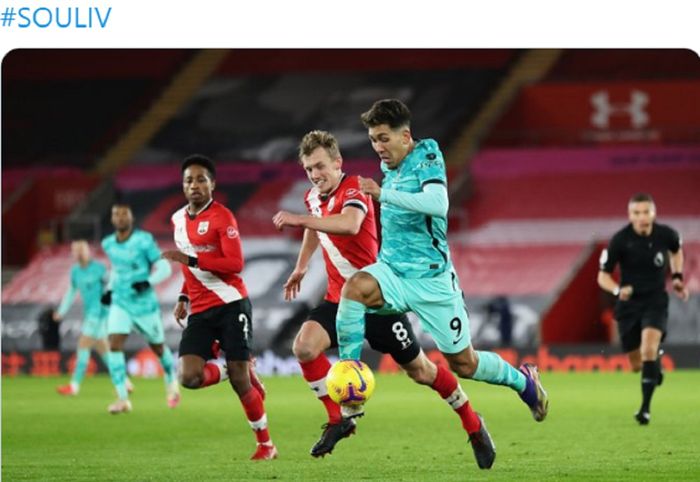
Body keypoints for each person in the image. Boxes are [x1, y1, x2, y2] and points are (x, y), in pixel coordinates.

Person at [334, 99, 550, 469]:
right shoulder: (388, 165)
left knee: (463, 364)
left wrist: (381, 194)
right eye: (373, 140)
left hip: (433, 281)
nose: (378, 147)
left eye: (384, 138)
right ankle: (350, 379)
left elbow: (438, 204)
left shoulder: (428, 154)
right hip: (392, 272)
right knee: (353, 288)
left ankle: (523, 381)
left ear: (406, 136)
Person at [273, 130, 489, 461]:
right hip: (339, 300)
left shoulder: (356, 188)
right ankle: (338, 420)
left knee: (422, 372)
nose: (315, 175)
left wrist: (298, 219)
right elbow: (315, 227)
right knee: (303, 347)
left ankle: (473, 424)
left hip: (378, 301)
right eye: (308, 170)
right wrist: (301, 266)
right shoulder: (312, 198)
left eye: (320, 167)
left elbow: (350, 224)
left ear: (337, 162)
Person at [162, 154, 277, 460]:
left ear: (213, 184)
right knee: (188, 377)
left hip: (231, 304)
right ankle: (231, 368)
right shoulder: (176, 220)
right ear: (183, 186)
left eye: (201, 179)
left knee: (241, 383)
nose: (195, 185)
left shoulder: (222, 217)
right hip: (200, 310)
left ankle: (266, 445)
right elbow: (190, 270)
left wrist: (193, 260)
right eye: (189, 180)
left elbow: (235, 264)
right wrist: (184, 296)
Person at [598, 193, 689, 425]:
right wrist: (618, 291)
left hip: (656, 300)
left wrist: (677, 277)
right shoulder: (619, 240)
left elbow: (676, 250)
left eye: (646, 212)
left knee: (648, 349)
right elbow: (603, 276)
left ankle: (644, 409)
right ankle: (654, 361)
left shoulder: (666, 235)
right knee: (637, 365)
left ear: (653, 213)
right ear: (630, 216)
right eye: (637, 213)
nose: (642, 217)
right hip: (629, 304)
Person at [101, 204, 178, 414]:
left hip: (144, 305)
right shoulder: (108, 244)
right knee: (114, 344)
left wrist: (148, 282)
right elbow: (117, 270)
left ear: (131, 217)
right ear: (112, 218)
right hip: (120, 302)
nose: (120, 217)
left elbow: (164, 267)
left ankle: (171, 381)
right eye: (116, 213)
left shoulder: (144, 240)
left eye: (124, 213)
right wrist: (109, 289)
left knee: (159, 349)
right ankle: (122, 398)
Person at [55, 240, 132, 396]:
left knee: (83, 344)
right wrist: (61, 311)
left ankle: (74, 386)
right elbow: (71, 292)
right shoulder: (75, 272)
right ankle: (125, 382)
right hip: (90, 313)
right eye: (75, 250)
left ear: (88, 251)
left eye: (81, 250)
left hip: (100, 314)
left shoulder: (98, 268)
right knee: (104, 350)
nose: (79, 253)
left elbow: (112, 285)